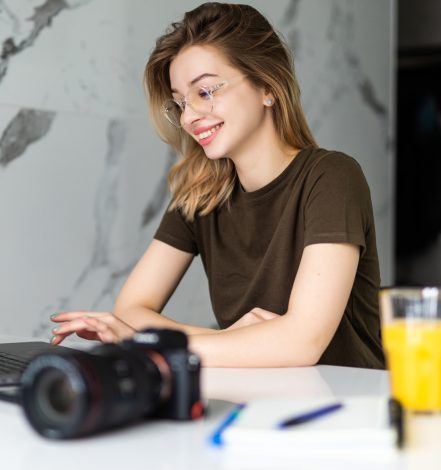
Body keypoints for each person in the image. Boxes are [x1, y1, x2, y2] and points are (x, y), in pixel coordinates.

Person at [51, 2, 384, 369]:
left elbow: (302, 344)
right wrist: (228, 341)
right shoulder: (200, 193)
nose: (189, 116)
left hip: (346, 408)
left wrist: (157, 345)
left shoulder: (331, 177)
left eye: (205, 91)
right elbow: (131, 310)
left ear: (267, 87)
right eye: (179, 102)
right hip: (255, 401)